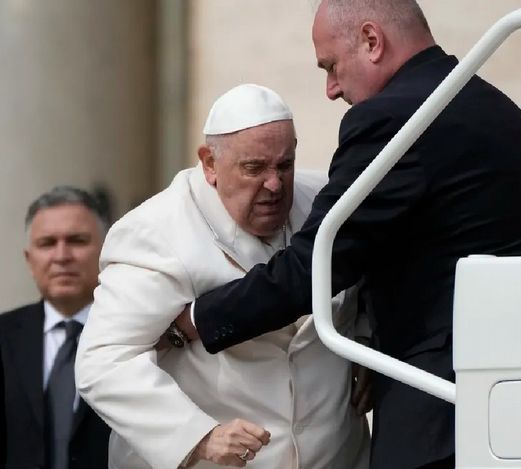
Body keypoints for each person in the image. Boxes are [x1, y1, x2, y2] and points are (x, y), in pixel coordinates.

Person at [180, 1, 521, 468]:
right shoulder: (484, 101)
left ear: (372, 42)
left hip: (444, 411)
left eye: (331, 66)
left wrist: (195, 319)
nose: (331, 89)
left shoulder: (394, 118)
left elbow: (316, 263)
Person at [75, 84, 370, 469]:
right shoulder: (155, 232)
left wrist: (367, 343)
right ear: (210, 163)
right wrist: (198, 436)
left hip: (334, 456)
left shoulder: (324, 201)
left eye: (285, 165)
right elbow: (103, 360)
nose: (274, 185)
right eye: (254, 168)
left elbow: (366, 277)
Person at [0, 186, 111, 469]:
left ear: (107, 251)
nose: (62, 256)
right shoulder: (4, 336)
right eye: (47, 243)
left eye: (77, 240)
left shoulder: (144, 337)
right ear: (29, 259)